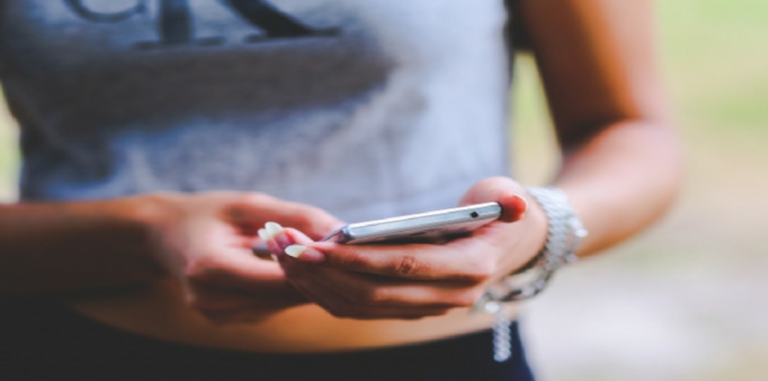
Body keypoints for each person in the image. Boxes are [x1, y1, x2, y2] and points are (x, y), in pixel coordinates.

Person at [0, 0, 681, 380]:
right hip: (76, 350)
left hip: (446, 364)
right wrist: (144, 229)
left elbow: (629, 129)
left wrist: (542, 228)